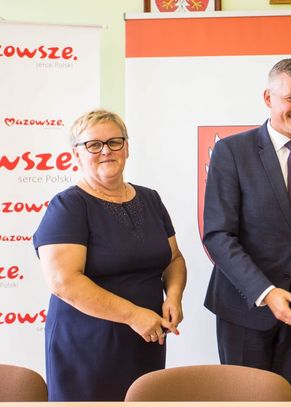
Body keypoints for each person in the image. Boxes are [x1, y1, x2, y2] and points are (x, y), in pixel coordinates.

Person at [203, 58, 291, 400]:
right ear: (268, 98)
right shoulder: (231, 151)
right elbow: (218, 235)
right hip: (244, 307)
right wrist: (266, 292)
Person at [33, 109, 187, 401]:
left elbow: (174, 259)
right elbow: (63, 282)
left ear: (126, 148)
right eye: (94, 145)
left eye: (114, 142)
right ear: (76, 155)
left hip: (146, 339)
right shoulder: (68, 206)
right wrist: (133, 315)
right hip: (87, 348)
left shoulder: (150, 198)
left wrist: (174, 296)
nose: (106, 151)